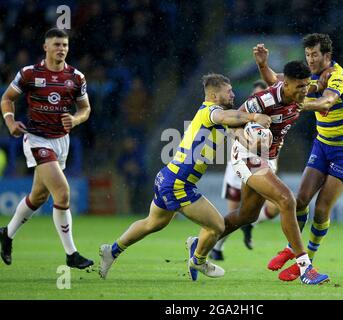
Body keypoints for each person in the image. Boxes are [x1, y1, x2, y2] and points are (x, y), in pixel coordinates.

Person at [98, 73, 271, 281]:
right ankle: (198, 258)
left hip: (168, 176)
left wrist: (256, 142)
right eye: (229, 91)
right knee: (217, 225)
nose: (233, 94)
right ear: (215, 95)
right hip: (179, 183)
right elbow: (226, 118)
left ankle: (112, 251)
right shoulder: (211, 111)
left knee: (152, 223)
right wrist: (253, 117)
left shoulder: (219, 117)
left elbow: (236, 132)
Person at [209, 61, 330, 285]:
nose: (303, 91)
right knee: (286, 200)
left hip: (267, 158)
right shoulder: (264, 100)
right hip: (247, 155)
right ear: (285, 84)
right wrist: (246, 137)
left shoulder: (301, 94)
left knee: (247, 215)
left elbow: (313, 90)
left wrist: (321, 89)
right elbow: (233, 121)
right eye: (299, 87)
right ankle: (306, 268)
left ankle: (202, 241)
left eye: (306, 85)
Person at [255, 33, 343, 281]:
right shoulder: (310, 77)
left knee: (322, 209)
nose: (311, 60)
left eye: (315, 55)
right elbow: (277, 82)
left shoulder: (340, 78)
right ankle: (293, 250)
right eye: (307, 55)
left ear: (327, 55)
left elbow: (327, 102)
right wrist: (262, 64)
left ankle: (307, 260)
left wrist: (298, 103)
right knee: (300, 199)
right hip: (322, 146)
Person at [0, 28, 93, 269]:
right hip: (36, 139)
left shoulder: (76, 77)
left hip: (62, 141)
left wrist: (75, 120)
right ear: (46, 47)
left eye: (64, 45)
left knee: (39, 196)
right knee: (62, 192)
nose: (61, 48)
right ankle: (71, 254)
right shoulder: (30, 74)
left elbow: (85, 109)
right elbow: (6, 98)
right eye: (56, 44)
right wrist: (10, 122)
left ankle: (6, 234)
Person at [210, 80, 268, 260]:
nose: (258, 98)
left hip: (262, 166)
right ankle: (217, 246)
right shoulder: (246, 112)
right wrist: (249, 144)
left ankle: (251, 223)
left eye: (262, 94)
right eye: (256, 95)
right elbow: (234, 130)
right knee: (235, 213)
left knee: (274, 207)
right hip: (239, 165)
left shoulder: (272, 115)